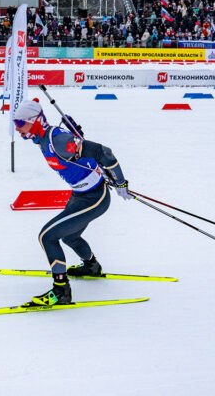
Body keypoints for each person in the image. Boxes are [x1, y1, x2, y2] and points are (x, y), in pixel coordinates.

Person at [13, 99, 134, 306]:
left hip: (94, 199)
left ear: (34, 121)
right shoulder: (44, 140)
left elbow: (104, 153)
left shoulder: (56, 140)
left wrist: (121, 183)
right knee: (69, 235)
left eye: (20, 124)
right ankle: (91, 267)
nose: (18, 129)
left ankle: (61, 291)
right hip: (80, 196)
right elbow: (80, 158)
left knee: (47, 236)